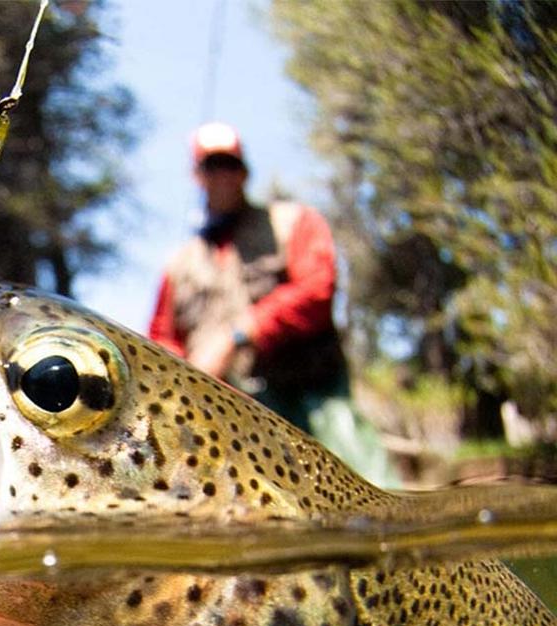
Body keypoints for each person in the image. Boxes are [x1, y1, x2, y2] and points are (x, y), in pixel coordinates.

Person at [149, 121, 397, 485]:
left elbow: (317, 290)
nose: (222, 175)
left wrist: (240, 333)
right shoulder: (178, 266)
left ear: (245, 172)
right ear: (196, 175)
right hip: (230, 423)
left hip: (315, 400)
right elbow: (160, 338)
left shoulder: (294, 222)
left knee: (371, 490)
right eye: (211, 166)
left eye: (229, 164)